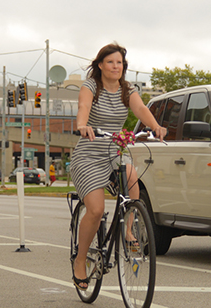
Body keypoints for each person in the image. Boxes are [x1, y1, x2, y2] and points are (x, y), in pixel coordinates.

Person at [70, 43, 166, 291]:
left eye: (120, 63)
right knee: (96, 209)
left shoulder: (127, 89)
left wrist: (155, 126)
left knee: (133, 179)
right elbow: (84, 108)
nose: (116, 66)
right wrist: (83, 125)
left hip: (114, 149)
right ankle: (80, 261)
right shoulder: (91, 86)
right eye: (111, 62)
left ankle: (128, 229)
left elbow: (141, 109)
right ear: (100, 65)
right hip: (89, 152)